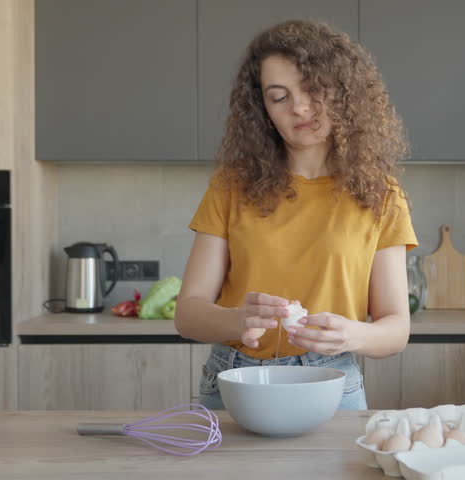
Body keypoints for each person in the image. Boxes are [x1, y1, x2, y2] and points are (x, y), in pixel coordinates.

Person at [175, 19, 418, 410]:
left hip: (333, 382)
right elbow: (188, 313)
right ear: (262, 109)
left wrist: (351, 336)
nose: (300, 108)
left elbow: (396, 327)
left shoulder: (381, 195)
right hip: (235, 380)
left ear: (341, 91)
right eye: (278, 96)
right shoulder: (231, 186)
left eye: (311, 88)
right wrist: (236, 320)